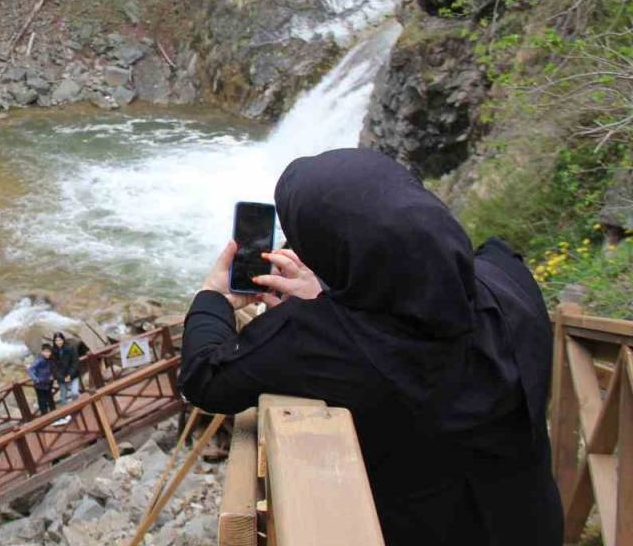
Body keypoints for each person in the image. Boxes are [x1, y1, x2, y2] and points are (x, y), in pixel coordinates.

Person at [178, 149, 562, 546]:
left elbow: (204, 378)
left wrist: (214, 295)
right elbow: (428, 271)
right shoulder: (510, 280)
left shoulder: (326, 340)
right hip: (531, 524)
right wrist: (337, 288)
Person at [52, 332, 80, 408]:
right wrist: (62, 378)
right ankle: (67, 412)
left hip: (73, 375)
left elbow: (75, 362)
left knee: (74, 393)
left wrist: (69, 375)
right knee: (63, 397)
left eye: (60, 340)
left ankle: (77, 406)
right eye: (56, 340)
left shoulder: (71, 348)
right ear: (54, 342)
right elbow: (53, 367)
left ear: (63, 340)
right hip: (61, 377)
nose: (58, 342)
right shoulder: (53, 352)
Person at [29, 343, 55, 417]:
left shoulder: (50, 359)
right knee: (42, 399)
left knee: (49, 397)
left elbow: (53, 367)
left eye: (49, 352)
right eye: (46, 352)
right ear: (42, 352)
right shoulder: (39, 360)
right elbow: (31, 369)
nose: (47, 354)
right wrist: (36, 379)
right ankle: (45, 415)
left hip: (48, 382)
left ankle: (54, 413)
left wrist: (53, 375)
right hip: (40, 383)